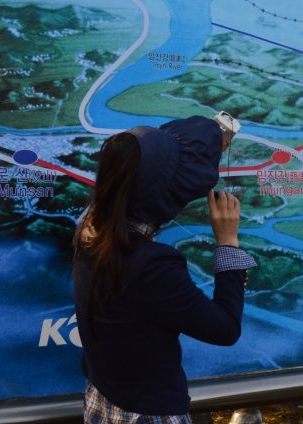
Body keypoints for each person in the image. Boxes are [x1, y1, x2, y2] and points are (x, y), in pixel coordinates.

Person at [72, 115, 255, 423]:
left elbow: (137, 157)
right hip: (147, 415)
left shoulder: (88, 230)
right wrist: (227, 241)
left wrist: (213, 137)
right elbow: (225, 328)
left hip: (101, 400)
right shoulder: (151, 266)